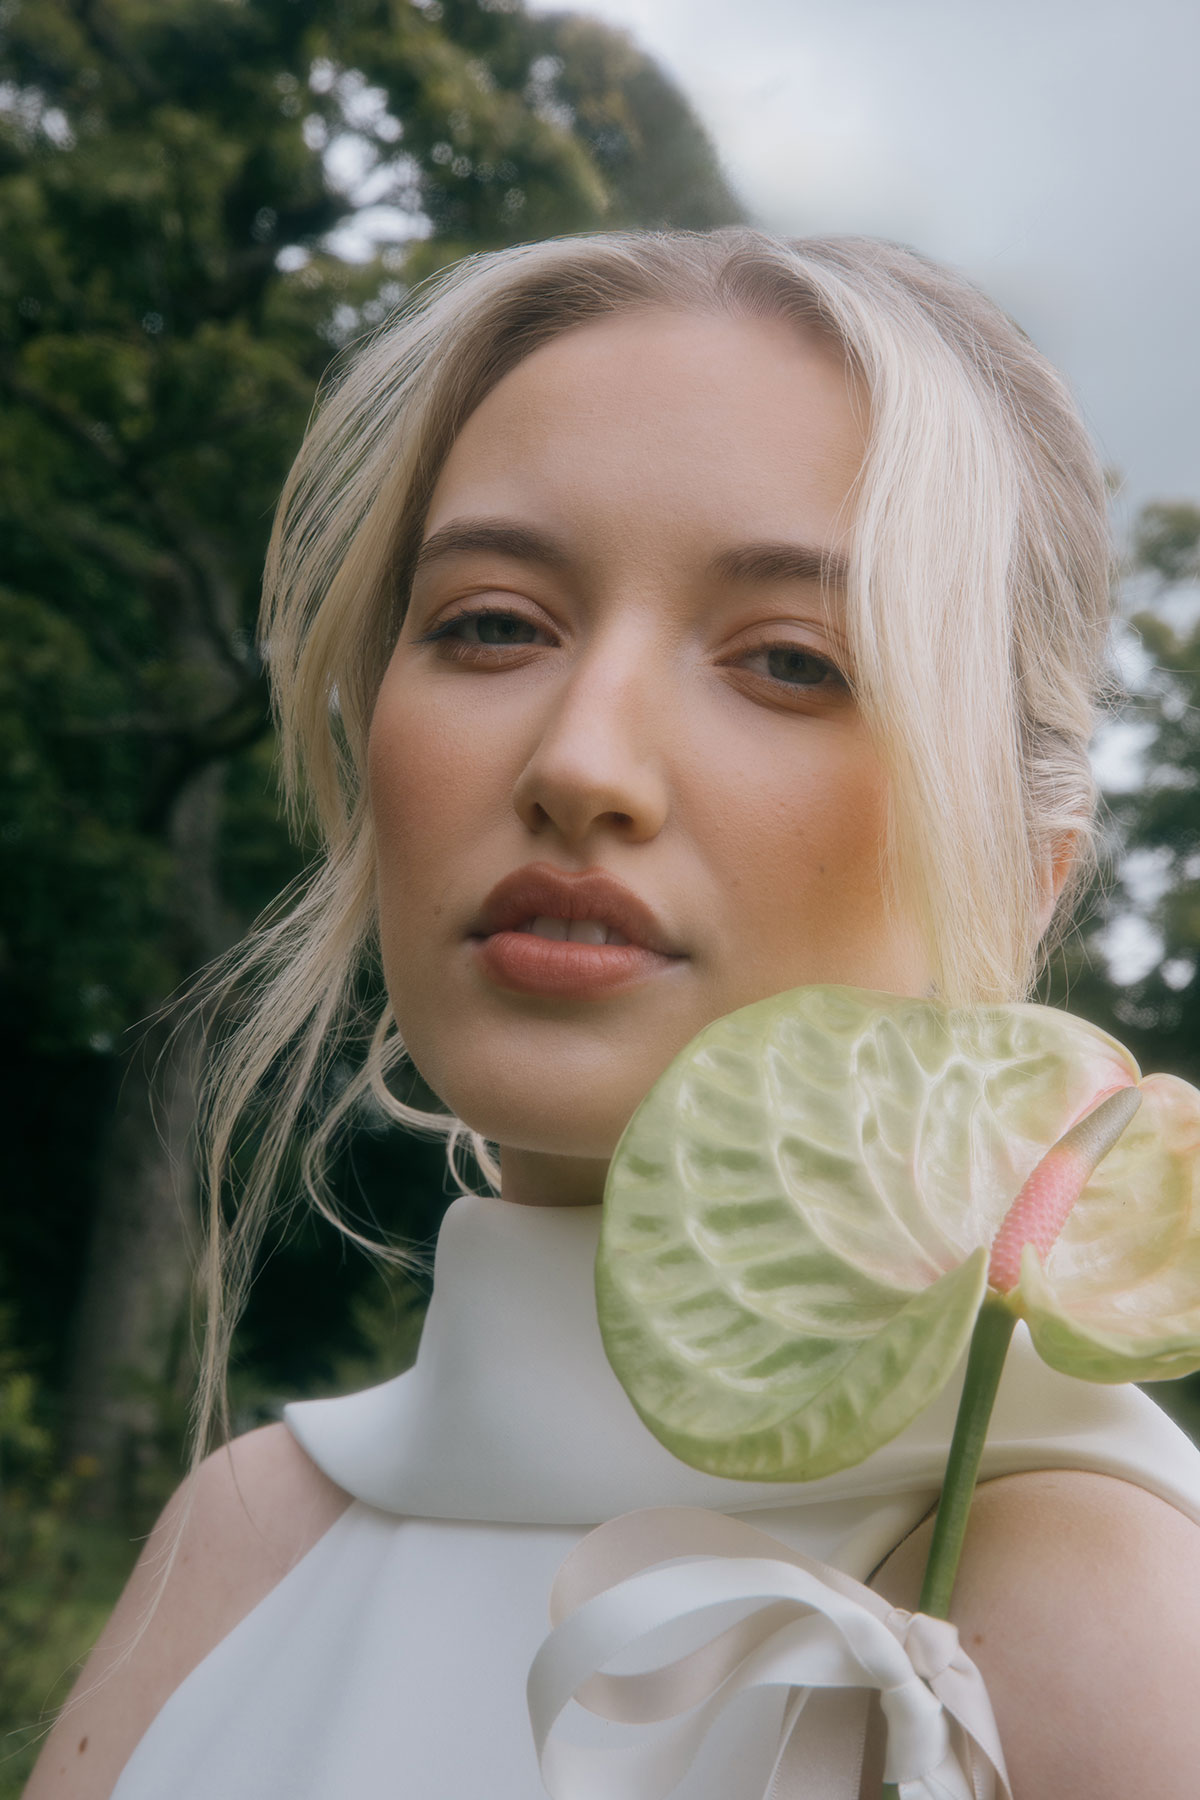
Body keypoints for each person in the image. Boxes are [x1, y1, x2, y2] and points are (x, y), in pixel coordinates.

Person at [24, 228, 1200, 1800]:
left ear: (1026, 877)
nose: (580, 761)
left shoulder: (1090, 1607)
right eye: (493, 623)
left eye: (791, 661)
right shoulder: (243, 1533)